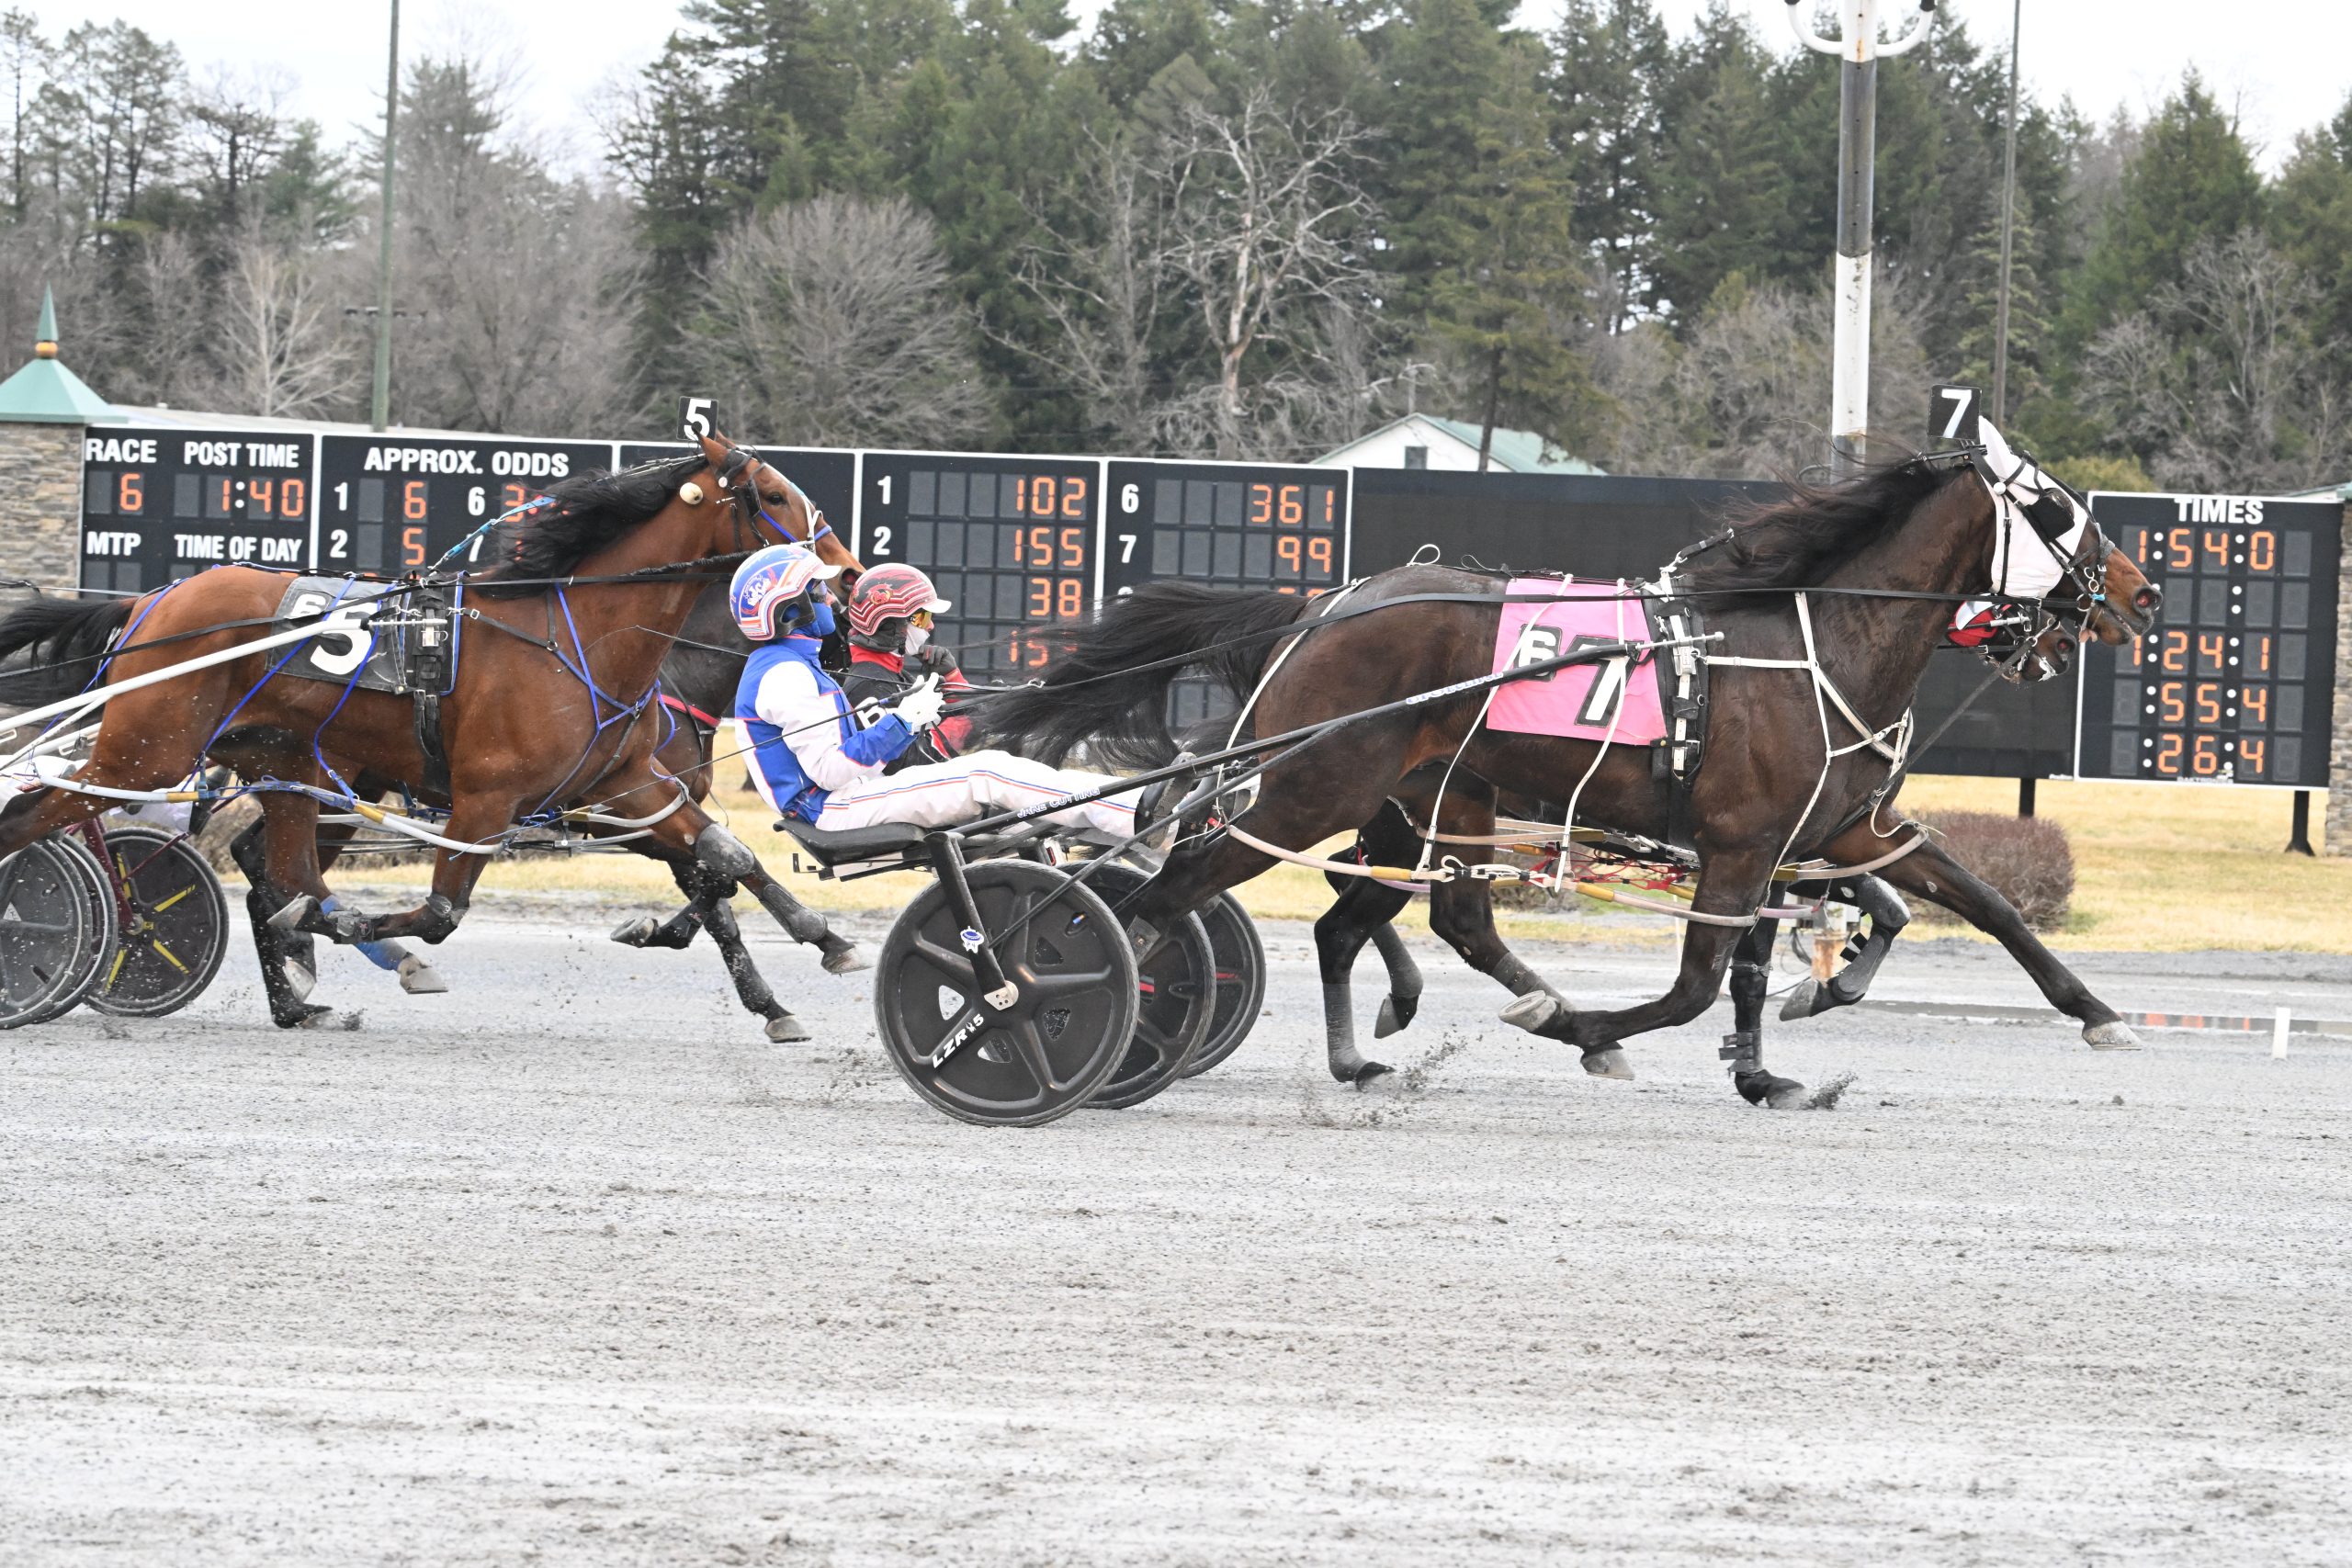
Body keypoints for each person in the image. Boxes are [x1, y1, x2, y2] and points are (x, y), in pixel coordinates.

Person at [729, 544, 1142, 838]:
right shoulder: (786, 674)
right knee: (987, 772)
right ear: (789, 610)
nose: (828, 600)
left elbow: (852, 760)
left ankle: (1131, 807)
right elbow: (830, 771)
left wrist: (908, 721)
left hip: (841, 799)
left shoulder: (788, 666)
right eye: (817, 592)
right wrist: (903, 722)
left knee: (996, 775)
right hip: (833, 809)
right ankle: (1135, 813)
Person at [833, 562, 975, 770]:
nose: (930, 625)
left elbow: (977, 719)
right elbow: (912, 765)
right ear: (888, 624)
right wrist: (963, 723)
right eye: (922, 617)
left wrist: (953, 678)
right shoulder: (867, 688)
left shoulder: (897, 677)